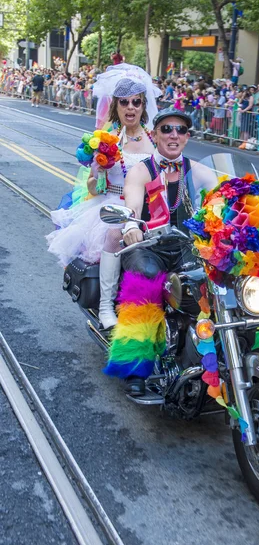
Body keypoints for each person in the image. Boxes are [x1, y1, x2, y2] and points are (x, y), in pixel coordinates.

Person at [47, 70, 160, 329]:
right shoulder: (108, 141)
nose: (130, 107)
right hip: (111, 208)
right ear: (116, 106)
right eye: (124, 102)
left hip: (146, 209)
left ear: (143, 106)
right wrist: (96, 173)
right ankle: (106, 306)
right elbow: (94, 189)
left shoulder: (154, 140)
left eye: (136, 102)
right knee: (113, 235)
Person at [103, 110, 198, 396]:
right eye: (166, 129)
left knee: (214, 278)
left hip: (184, 246)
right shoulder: (142, 170)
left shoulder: (196, 170)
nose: (173, 135)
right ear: (154, 135)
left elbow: (225, 194)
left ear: (187, 137)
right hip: (148, 246)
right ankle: (135, 366)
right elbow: (132, 200)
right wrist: (132, 223)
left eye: (180, 130)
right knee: (146, 276)